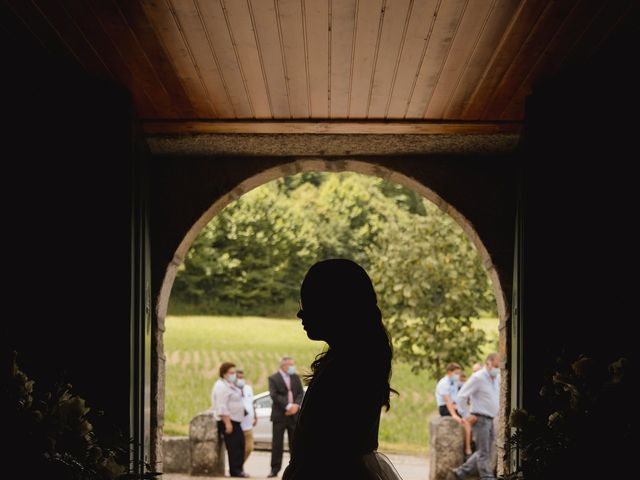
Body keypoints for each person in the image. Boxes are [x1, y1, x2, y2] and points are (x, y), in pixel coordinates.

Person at [282, 259, 402, 480]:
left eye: (308, 303)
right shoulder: (352, 362)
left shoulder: (346, 371)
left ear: (335, 307)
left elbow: (327, 450)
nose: (300, 314)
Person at [451, 353, 501, 480]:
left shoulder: (495, 378)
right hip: (480, 419)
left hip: (490, 419)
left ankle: (459, 473)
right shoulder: (478, 378)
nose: (497, 368)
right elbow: (461, 396)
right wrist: (466, 415)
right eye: (495, 366)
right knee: (484, 453)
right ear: (488, 363)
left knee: (484, 451)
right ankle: (488, 477)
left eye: (498, 366)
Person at [211, 362, 249, 478]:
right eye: (231, 373)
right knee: (234, 446)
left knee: (240, 444)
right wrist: (227, 423)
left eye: (234, 372)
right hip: (228, 420)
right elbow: (221, 406)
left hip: (236, 420)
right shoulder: (221, 386)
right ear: (224, 373)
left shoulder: (230, 384)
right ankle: (235, 471)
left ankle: (238, 469)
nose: (234, 375)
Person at [268, 356, 304, 478]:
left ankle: (295, 468)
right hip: (280, 415)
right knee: (277, 444)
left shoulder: (295, 377)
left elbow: (300, 393)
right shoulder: (273, 378)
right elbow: (274, 395)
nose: (293, 367)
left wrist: (296, 406)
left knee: (295, 443)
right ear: (284, 366)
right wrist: (288, 406)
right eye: (291, 365)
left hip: (294, 416)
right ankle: (274, 469)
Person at [436, 363, 472, 458]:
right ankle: (468, 450)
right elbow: (447, 401)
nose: (458, 375)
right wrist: (454, 415)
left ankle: (470, 445)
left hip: (454, 406)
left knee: (470, 418)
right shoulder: (443, 383)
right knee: (466, 422)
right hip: (445, 408)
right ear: (449, 372)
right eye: (456, 373)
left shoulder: (454, 382)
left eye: (458, 373)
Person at [236, 369, 257, 464]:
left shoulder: (248, 388)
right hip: (237, 424)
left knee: (249, 447)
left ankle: (239, 465)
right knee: (238, 449)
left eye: (242, 377)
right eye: (238, 377)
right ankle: (237, 468)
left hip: (248, 424)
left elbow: (252, 403)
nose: (240, 379)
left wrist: (255, 416)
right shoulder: (232, 389)